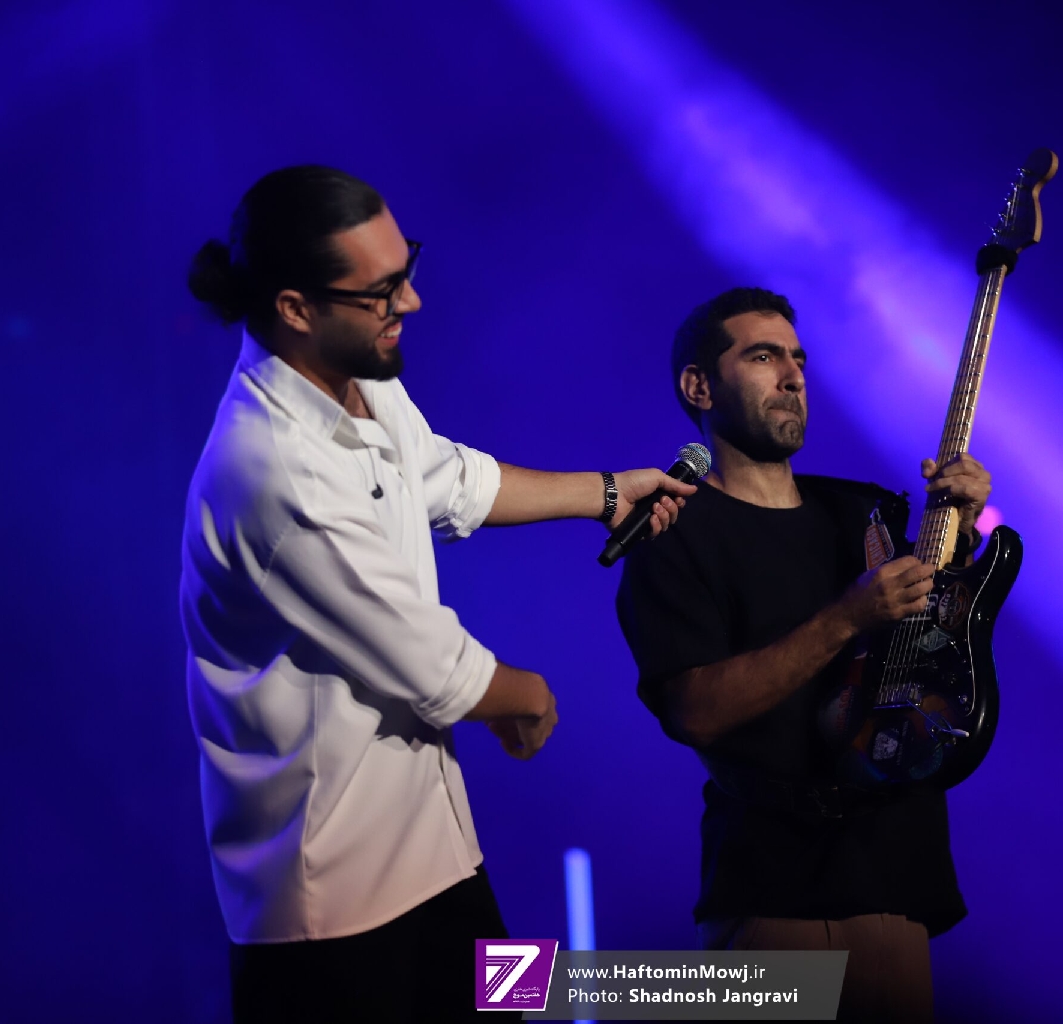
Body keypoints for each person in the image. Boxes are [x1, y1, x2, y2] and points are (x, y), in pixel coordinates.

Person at [179, 165, 693, 1022]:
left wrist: (606, 493)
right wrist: (531, 698)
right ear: (295, 308)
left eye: (406, 269)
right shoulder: (271, 472)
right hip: (331, 916)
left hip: (437, 860)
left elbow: (449, 478)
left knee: (519, 1000)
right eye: (382, 290)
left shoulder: (362, 378)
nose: (411, 302)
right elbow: (433, 666)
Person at [615, 287, 993, 1022]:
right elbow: (695, 711)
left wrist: (963, 531)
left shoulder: (863, 513)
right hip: (775, 892)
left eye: (798, 360)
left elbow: (931, 649)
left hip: (896, 881)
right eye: (763, 357)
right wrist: (847, 616)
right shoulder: (672, 532)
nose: (793, 377)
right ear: (699, 386)